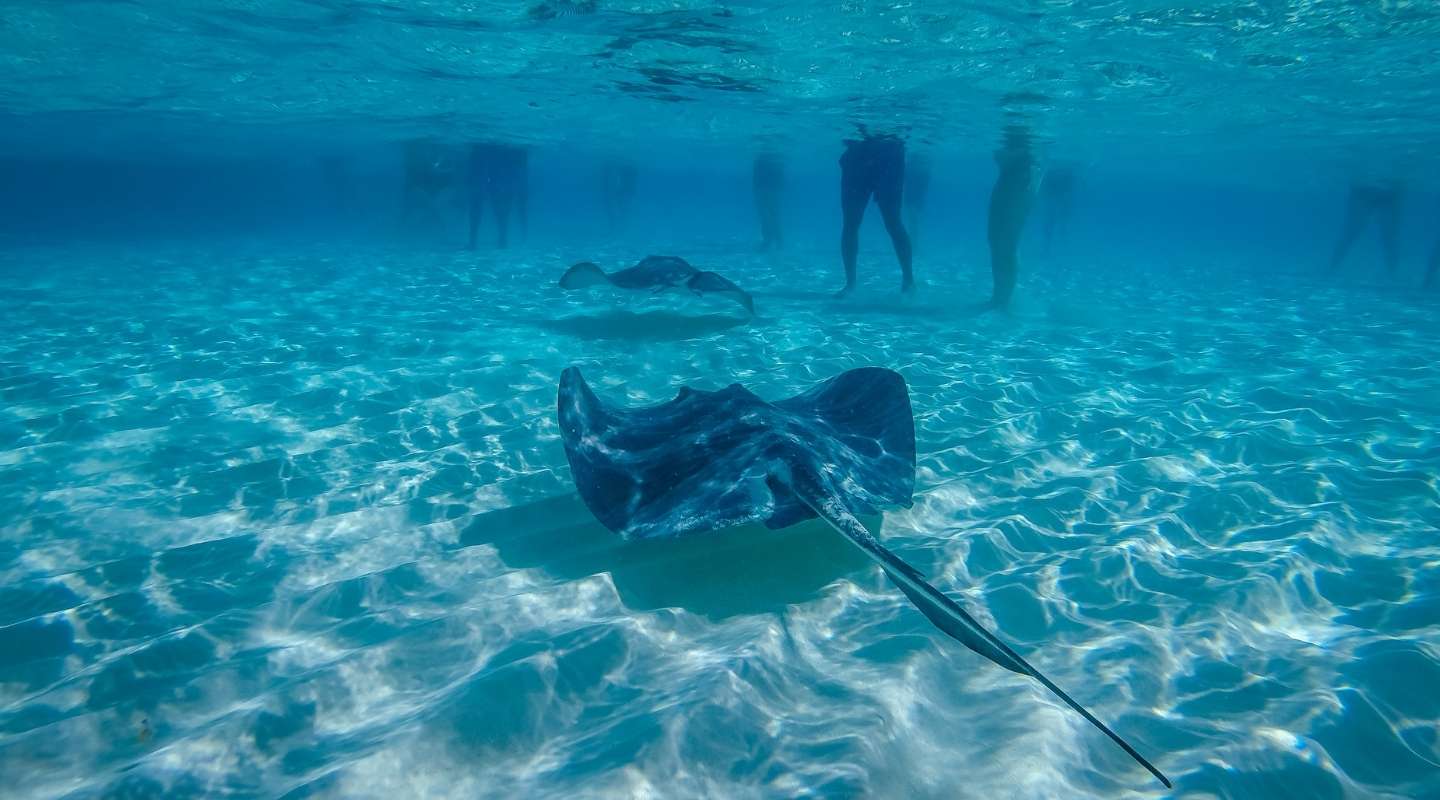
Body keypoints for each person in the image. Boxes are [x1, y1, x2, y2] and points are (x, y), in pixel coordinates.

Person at [838, 133, 913, 297]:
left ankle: (908, 279)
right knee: (851, 223)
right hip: (859, 155)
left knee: (893, 221)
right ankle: (850, 283)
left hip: (888, 154)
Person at [986, 126, 1036, 309]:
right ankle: (999, 296)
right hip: (1008, 183)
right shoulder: (1019, 143)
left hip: (1019, 185)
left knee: (1007, 243)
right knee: (995, 240)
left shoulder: (1026, 148)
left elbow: (1006, 157)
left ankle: (1003, 300)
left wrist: (1005, 156)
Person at [1328, 179, 1403, 275]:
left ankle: (1331, 269)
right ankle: (1331, 269)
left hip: (1373, 190)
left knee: (1388, 236)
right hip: (1374, 190)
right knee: (1388, 236)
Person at [468, 143, 528, 249]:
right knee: (497, 203)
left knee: (482, 202)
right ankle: (501, 239)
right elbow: (521, 162)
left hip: (493, 164)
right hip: (502, 168)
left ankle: (475, 241)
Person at [401, 139, 461, 233]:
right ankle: (441, 226)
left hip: (425, 189)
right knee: (432, 204)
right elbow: (430, 171)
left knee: (433, 203)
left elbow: (434, 171)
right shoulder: (418, 158)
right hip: (418, 189)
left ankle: (437, 224)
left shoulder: (427, 157)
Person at [1039, 164, 1075, 257]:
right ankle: (1053, 247)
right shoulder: (1066, 173)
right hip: (1057, 201)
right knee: (1054, 224)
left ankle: (1052, 248)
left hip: (1057, 201)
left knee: (1055, 224)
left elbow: (1044, 188)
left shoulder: (1053, 172)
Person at [753, 152, 785, 251]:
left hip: (766, 190)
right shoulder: (774, 161)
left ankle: (772, 240)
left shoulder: (761, 161)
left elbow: (756, 177)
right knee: (771, 216)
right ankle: (775, 240)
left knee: (768, 216)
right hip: (768, 190)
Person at [601, 160, 638, 234]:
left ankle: (619, 228)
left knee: (622, 209)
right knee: (623, 209)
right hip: (624, 192)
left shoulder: (626, 178)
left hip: (624, 192)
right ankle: (619, 228)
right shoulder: (627, 177)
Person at [904, 152, 931, 249]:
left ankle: (913, 245)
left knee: (913, 222)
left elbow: (923, 188)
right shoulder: (912, 169)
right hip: (911, 197)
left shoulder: (922, 171)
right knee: (913, 222)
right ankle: (913, 245)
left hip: (913, 198)